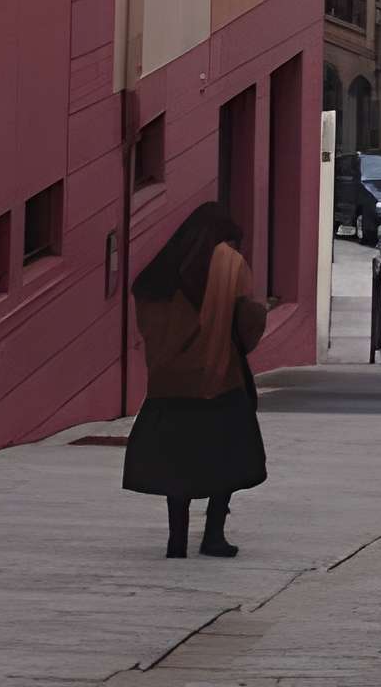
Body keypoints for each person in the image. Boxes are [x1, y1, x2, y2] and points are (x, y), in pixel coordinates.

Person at [122, 202, 267, 559]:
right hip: (220, 379)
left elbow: (147, 313)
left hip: (170, 384)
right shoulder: (228, 263)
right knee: (227, 459)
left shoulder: (165, 266)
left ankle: (177, 540)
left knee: (177, 462)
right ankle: (213, 536)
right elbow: (246, 318)